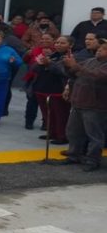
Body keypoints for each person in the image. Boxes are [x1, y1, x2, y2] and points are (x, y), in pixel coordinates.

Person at [58, 41, 107, 172]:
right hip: (79, 101)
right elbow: (72, 74)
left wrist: (77, 67)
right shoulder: (90, 61)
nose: (99, 50)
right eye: (99, 48)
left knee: (94, 135)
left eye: (103, 49)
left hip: (96, 105)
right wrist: (68, 65)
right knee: (73, 131)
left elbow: (98, 77)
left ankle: (92, 160)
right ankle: (74, 154)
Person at [31, 36, 73, 144]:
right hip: (42, 88)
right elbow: (34, 69)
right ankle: (52, 132)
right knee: (47, 114)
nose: (58, 44)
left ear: (70, 45)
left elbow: (64, 72)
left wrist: (48, 64)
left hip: (58, 90)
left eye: (62, 43)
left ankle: (62, 136)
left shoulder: (71, 57)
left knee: (60, 114)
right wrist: (40, 63)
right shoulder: (51, 55)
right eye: (57, 42)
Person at [22, 33, 55, 129]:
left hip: (49, 81)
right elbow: (25, 60)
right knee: (32, 102)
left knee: (48, 103)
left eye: (47, 39)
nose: (44, 41)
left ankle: (46, 123)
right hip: (34, 80)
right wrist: (27, 54)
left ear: (53, 40)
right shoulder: (34, 50)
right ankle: (29, 121)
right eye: (42, 39)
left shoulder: (56, 51)